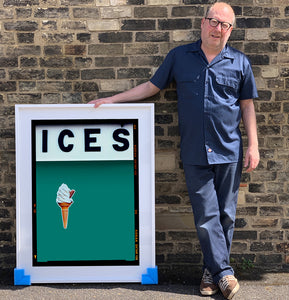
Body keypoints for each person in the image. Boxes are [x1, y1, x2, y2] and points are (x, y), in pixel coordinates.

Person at [89, 2, 259, 299]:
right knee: (207, 216)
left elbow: (247, 106)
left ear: (231, 31)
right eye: (213, 21)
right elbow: (151, 87)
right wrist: (114, 100)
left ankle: (211, 274)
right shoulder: (179, 57)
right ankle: (225, 274)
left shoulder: (240, 62)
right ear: (203, 22)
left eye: (225, 25)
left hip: (230, 149)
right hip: (195, 151)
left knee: (226, 216)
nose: (218, 29)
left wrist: (254, 145)